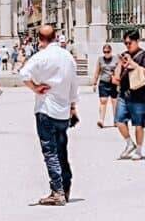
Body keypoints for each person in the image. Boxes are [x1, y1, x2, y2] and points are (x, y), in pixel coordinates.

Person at [20, 24, 79, 206]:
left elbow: (23, 74)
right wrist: (72, 107)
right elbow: (73, 85)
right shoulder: (68, 57)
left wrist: (35, 88)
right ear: (55, 37)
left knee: (50, 152)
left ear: (39, 39)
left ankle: (57, 191)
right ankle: (66, 187)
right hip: (63, 112)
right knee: (62, 150)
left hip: (46, 110)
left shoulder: (41, 56)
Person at [113, 29, 145, 160]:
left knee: (138, 124)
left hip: (139, 95)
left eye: (130, 43)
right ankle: (130, 144)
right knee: (119, 121)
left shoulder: (144, 55)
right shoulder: (124, 55)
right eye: (125, 43)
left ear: (137, 41)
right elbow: (117, 77)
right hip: (124, 94)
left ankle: (139, 150)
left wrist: (133, 64)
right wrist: (120, 64)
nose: (127, 45)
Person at [91, 43, 118, 127]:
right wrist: (94, 83)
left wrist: (119, 83)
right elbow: (97, 71)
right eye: (105, 52)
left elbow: (119, 71)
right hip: (103, 82)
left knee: (114, 102)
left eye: (108, 51)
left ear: (111, 51)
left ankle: (116, 121)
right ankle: (101, 120)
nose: (106, 53)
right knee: (103, 101)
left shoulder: (116, 59)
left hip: (113, 83)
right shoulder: (100, 59)